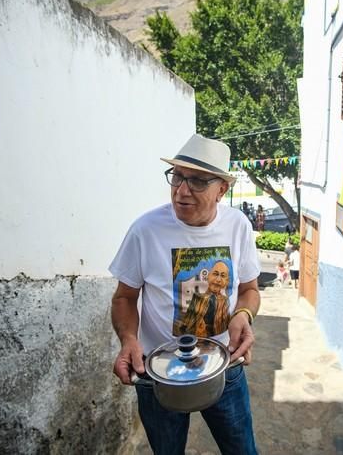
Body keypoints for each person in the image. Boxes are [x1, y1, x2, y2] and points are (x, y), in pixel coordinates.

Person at [109, 133, 261, 455]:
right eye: (177, 176)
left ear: (223, 189)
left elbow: (249, 290)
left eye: (197, 181)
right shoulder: (145, 229)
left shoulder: (239, 226)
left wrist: (243, 315)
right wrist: (129, 340)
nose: (181, 191)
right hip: (158, 373)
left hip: (225, 367)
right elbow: (124, 297)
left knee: (242, 450)